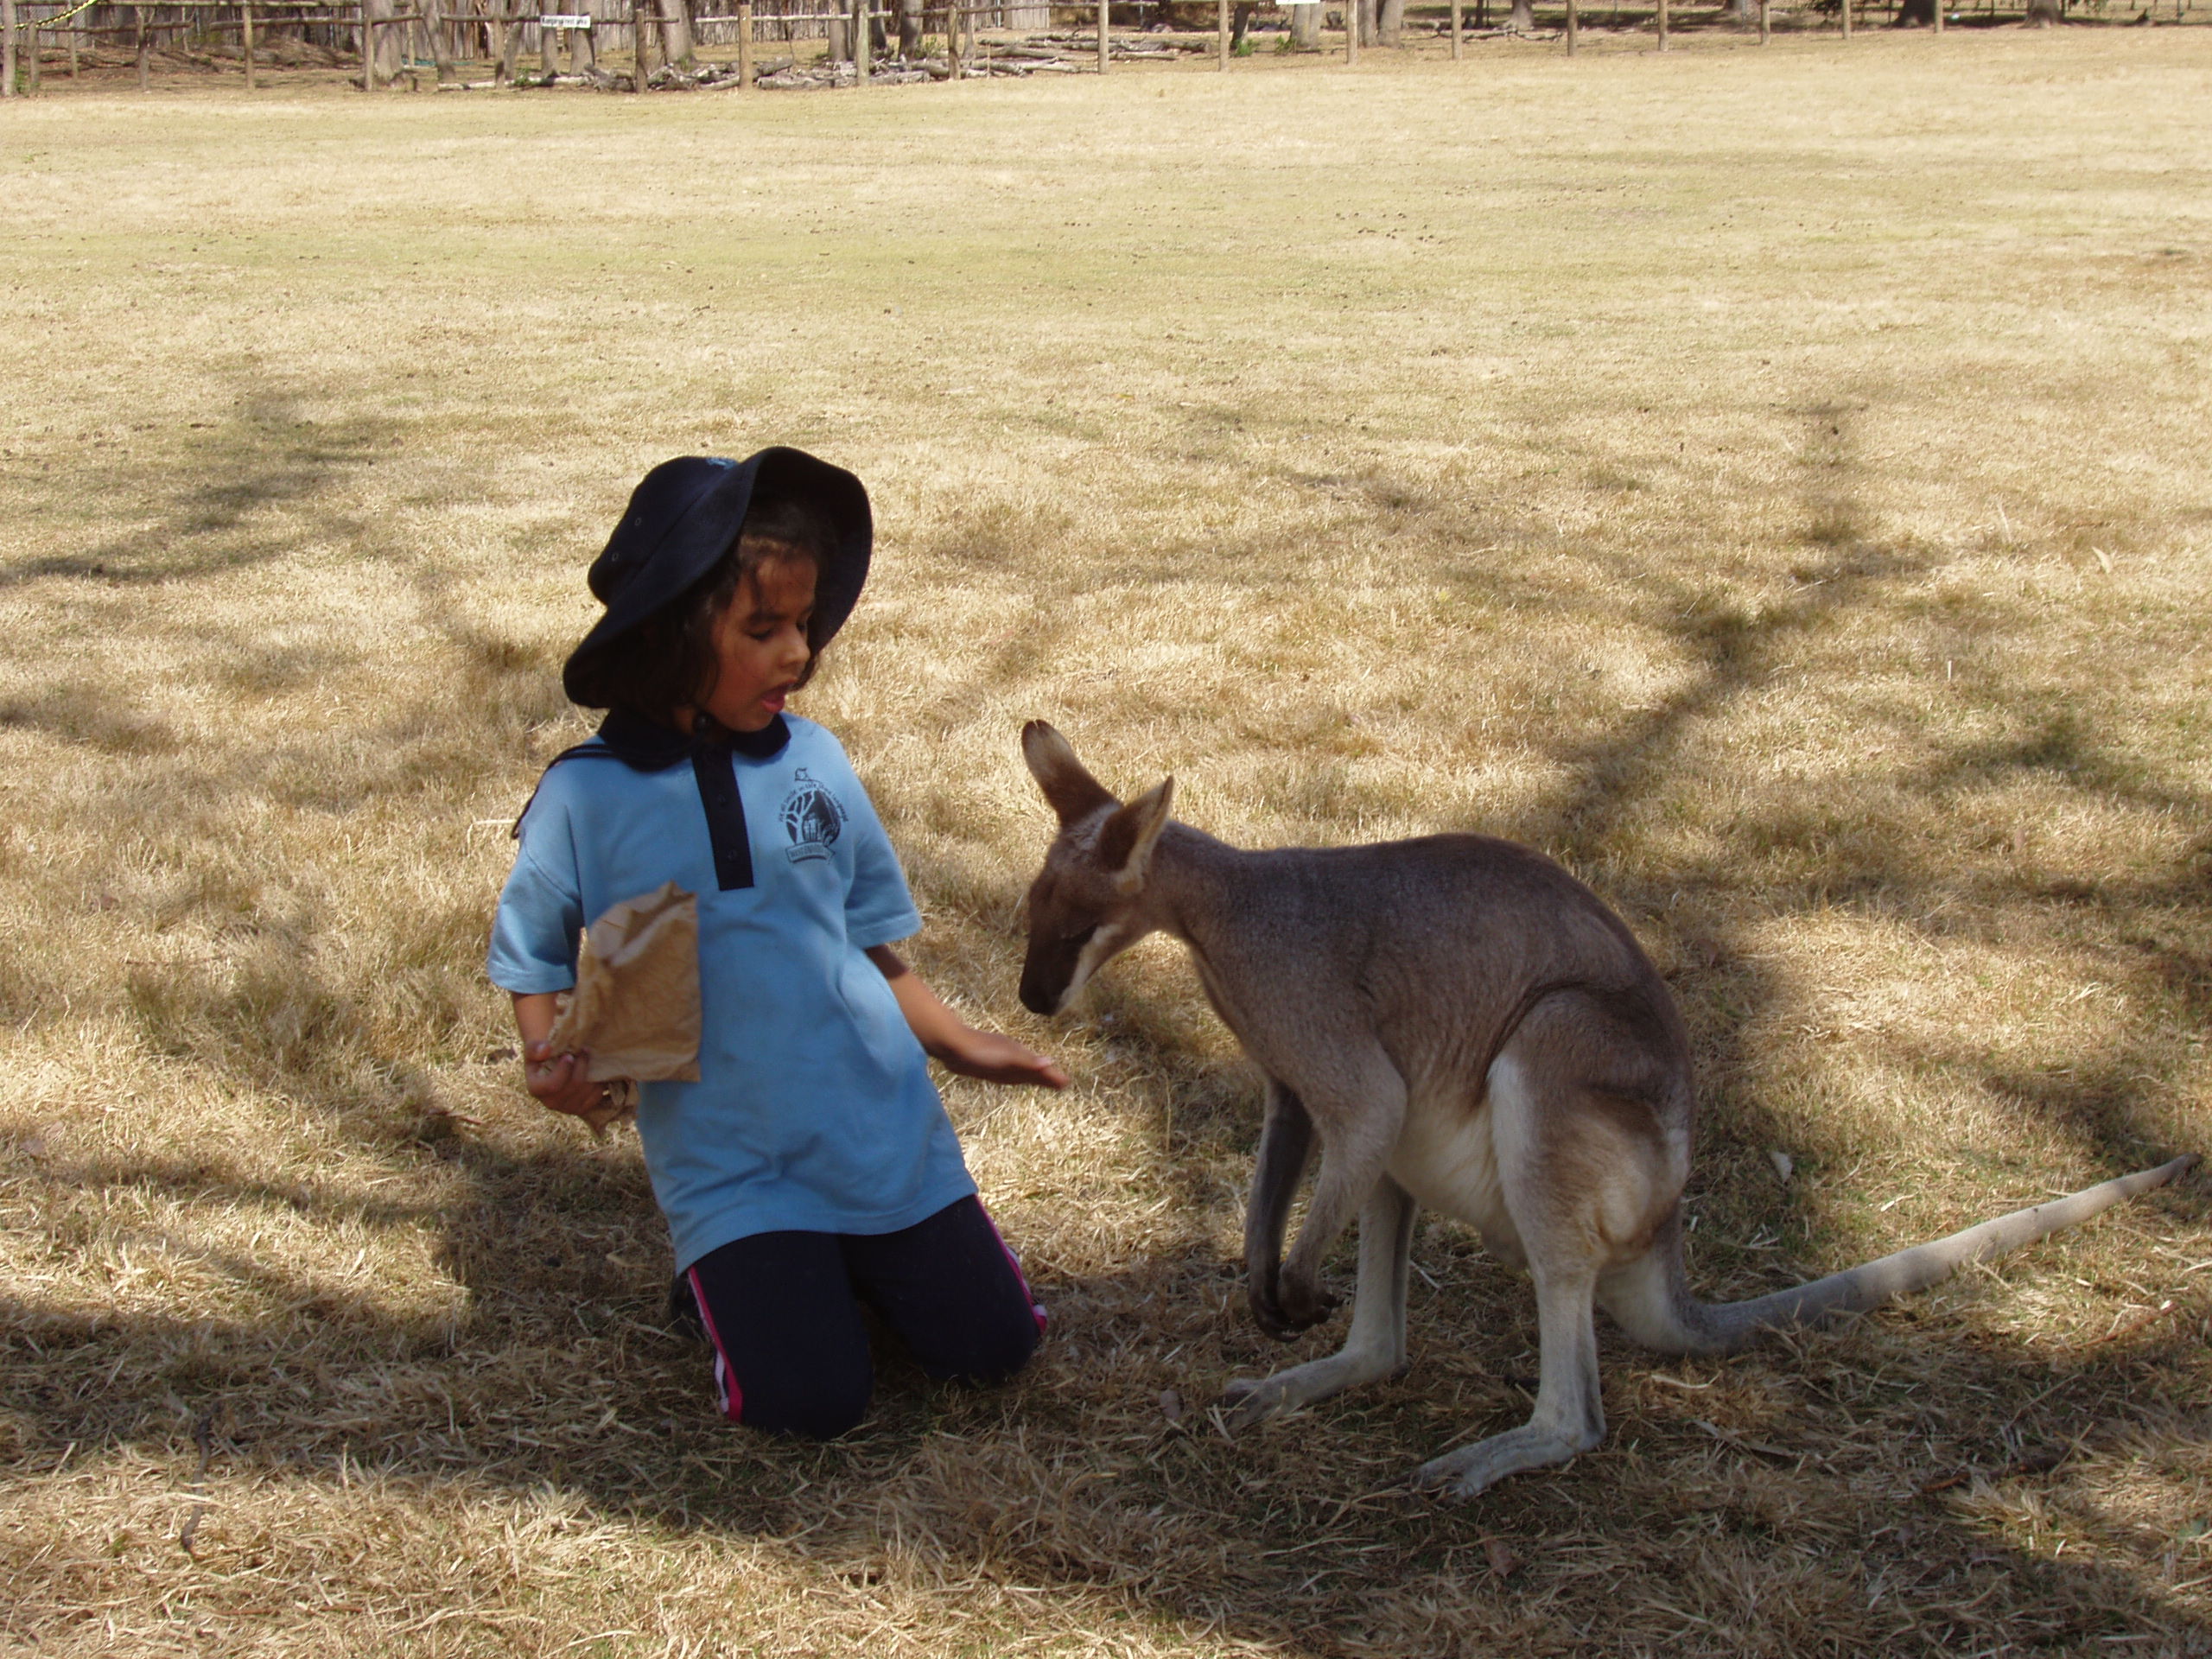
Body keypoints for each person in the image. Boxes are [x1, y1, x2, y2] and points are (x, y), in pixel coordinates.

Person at [489, 448, 1067, 1440]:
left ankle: (840, 1269)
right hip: (735, 1166)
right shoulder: (583, 794)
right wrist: (549, 1061)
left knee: (993, 1352)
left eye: (803, 624)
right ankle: (735, 1276)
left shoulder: (817, 760)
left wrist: (960, 1042)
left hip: (878, 1136)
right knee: (807, 1404)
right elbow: (534, 951)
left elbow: (875, 946)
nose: (798, 652)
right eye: (764, 629)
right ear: (672, 631)